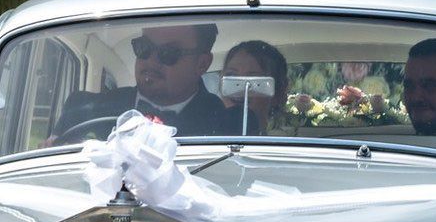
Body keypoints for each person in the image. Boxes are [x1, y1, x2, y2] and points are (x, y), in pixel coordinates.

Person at [52, 23, 228, 138]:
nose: (151, 61)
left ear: (202, 63)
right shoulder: (91, 109)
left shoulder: (226, 125)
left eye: (169, 53)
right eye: (144, 47)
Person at [219, 39, 288, 135]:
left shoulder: (286, 148)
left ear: (277, 93)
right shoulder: (200, 140)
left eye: (254, 80)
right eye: (231, 76)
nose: (241, 90)